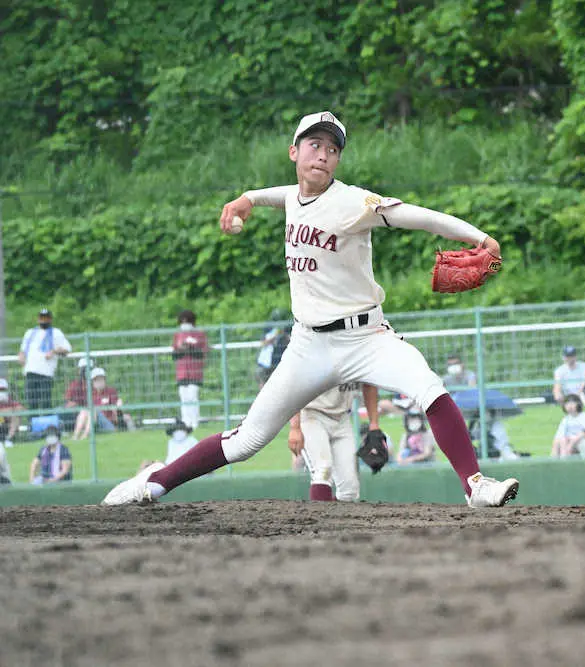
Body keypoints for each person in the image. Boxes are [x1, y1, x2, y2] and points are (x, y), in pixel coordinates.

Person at [103, 110, 518, 508]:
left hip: (366, 337)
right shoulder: (292, 198)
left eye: (332, 149)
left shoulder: (354, 202)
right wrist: (246, 199)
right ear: (294, 152)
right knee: (247, 440)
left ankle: (475, 486)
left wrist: (479, 237)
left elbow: (416, 215)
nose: (323, 154)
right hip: (308, 345)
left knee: (430, 387)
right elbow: (280, 196)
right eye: (314, 144)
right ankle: (153, 484)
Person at [288, 383, 379, 500]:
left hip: (342, 419)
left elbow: (369, 384)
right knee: (323, 470)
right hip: (312, 415)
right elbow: (295, 384)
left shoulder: (360, 363)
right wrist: (295, 427)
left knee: (349, 490)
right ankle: (319, 517)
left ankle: (337, 517)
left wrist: (374, 425)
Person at [18, 308, 71, 412]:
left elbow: (67, 349)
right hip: (31, 371)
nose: (44, 320)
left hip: (46, 373)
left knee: (46, 401)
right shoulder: (30, 332)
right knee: (32, 401)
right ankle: (33, 424)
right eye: (41, 318)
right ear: (38, 319)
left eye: (46, 318)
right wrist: (21, 356)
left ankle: (47, 425)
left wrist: (54, 351)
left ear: (50, 319)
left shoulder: (56, 332)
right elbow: (23, 349)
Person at [71, 367, 136, 440]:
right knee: (84, 411)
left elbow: (116, 410)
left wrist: (117, 417)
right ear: (93, 382)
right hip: (94, 423)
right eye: (96, 380)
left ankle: (85, 435)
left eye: (101, 379)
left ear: (104, 380)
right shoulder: (90, 393)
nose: (99, 382)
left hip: (109, 424)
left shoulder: (111, 391)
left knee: (94, 410)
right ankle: (75, 436)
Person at [172, 309, 208, 430]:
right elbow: (174, 352)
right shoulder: (178, 335)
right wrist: (181, 348)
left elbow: (204, 351)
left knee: (193, 395)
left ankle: (194, 421)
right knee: (183, 396)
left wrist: (192, 347)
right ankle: (186, 421)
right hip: (181, 372)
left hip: (194, 371)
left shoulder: (199, 334)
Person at [256, 309, 291, 388]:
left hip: (279, 361)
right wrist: (275, 335)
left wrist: (283, 334)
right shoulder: (269, 329)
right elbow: (263, 343)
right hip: (266, 362)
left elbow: (290, 341)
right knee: (263, 382)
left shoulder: (287, 329)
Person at [0, 378, 24, 448]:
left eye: (3, 390)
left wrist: (11, 410)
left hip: (6, 421)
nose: (1, 392)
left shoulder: (9, 400)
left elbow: (21, 408)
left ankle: (9, 439)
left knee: (16, 417)